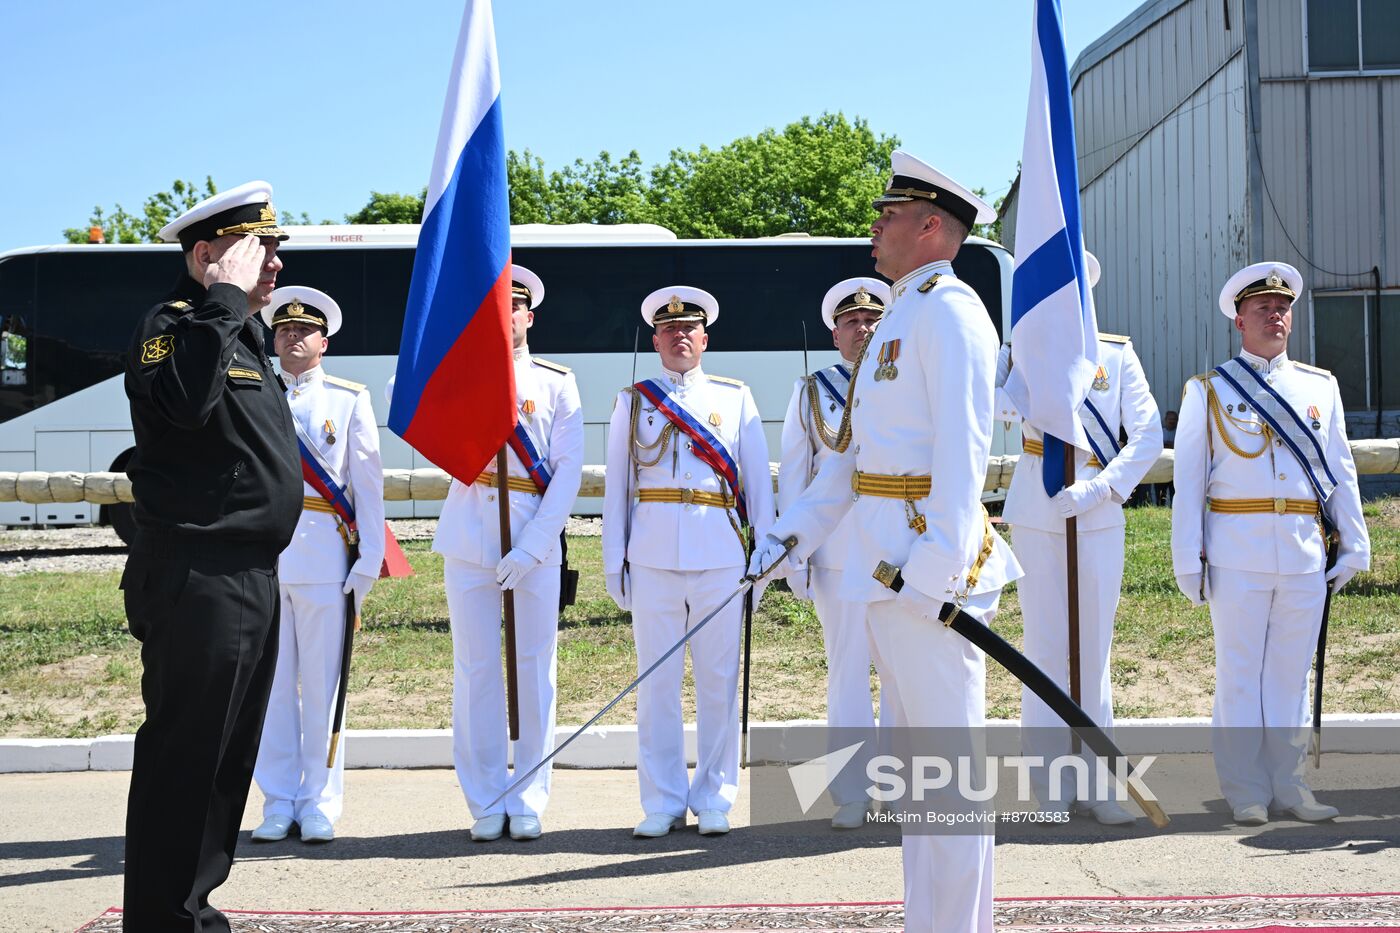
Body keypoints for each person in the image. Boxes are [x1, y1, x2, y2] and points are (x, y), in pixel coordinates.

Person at [750, 150, 1022, 933]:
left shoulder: (952, 311)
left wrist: (935, 574)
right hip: (879, 572)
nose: (875, 226)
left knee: (952, 777)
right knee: (917, 780)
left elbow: (964, 457)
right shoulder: (899, 314)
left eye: (889, 214)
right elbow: (847, 466)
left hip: (924, 577)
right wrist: (785, 537)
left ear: (931, 225)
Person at [121, 181, 300, 931]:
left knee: (224, 766)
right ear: (206, 256)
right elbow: (187, 402)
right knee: (184, 761)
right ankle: (165, 921)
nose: (274, 269)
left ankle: (191, 911)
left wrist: (234, 313)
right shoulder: (173, 326)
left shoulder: (242, 334)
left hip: (249, 576)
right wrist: (223, 302)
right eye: (259, 252)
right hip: (199, 575)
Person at [1171, 261, 1370, 825]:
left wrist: (1354, 542)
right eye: (1263, 308)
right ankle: (1244, 790)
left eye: (1283, 308)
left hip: (1304, 550)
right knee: (1240, 673)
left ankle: (1290, 785)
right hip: (1237, 552)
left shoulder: (1318, 387)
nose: (1276, 316)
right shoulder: (1209, 389)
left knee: (1290, 673)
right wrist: (1188, 556)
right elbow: (1190, 482)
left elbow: (1342, 471)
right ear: (1239, 319)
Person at [993, 252, 1163, 824]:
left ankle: (1100, 783)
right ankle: (1050, 787)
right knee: (1043, 648)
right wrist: (1007, 366)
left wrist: (1100, 490)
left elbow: (1145, 434)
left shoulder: (1115, 353)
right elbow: (993, 411)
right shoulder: (1022, 353)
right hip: (1037, 506)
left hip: (1096, 510)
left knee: (1093, 652)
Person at [602, 286, 777, 839]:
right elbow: (617, 488)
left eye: (690, 329)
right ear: (656, 340)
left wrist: (763, 557)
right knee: (656, 684)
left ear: (705, 338)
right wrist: (615, 560)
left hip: (720, 554)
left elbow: (758, 485)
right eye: (669, 330)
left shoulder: (736, 397)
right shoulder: (632, 401)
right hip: (652, 554)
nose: (680, 337)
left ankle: (717, 797)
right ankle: (662, 800)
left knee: (718, 681)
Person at [432, 265, 584, 842]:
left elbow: (568, 472)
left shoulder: (556, 381)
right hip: (470, 533)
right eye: (499, 307)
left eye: (515, 308)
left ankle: (530, 795)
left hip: (532, 536)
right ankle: (485, 797)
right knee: (474, 671)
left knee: (534, 670)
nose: (508, 317)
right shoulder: (462, 376)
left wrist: (534, 545)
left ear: (529, 316)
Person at [250, 286, 385, 845]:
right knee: (272, 687)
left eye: (304, 331)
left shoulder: (348, 398)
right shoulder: (252, 392)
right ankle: (278, 799)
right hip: (262, 556)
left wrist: (368, 559)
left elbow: (368, 483)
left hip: (326, 556)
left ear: (323, 342)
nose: (293, 338)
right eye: (284, 330)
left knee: (324, 683)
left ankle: (320, 802)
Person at [778, 276, 895, 829]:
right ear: (835, 334)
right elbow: (797, 479)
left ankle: (899, 788)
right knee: (846, 672)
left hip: (894, 552)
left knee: (900, 670)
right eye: (852, 323)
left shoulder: (901, 382)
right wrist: (795, 553)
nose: (864, 329)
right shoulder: (811, 390)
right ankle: (852, 792)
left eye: (873, 320)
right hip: (836, 553)